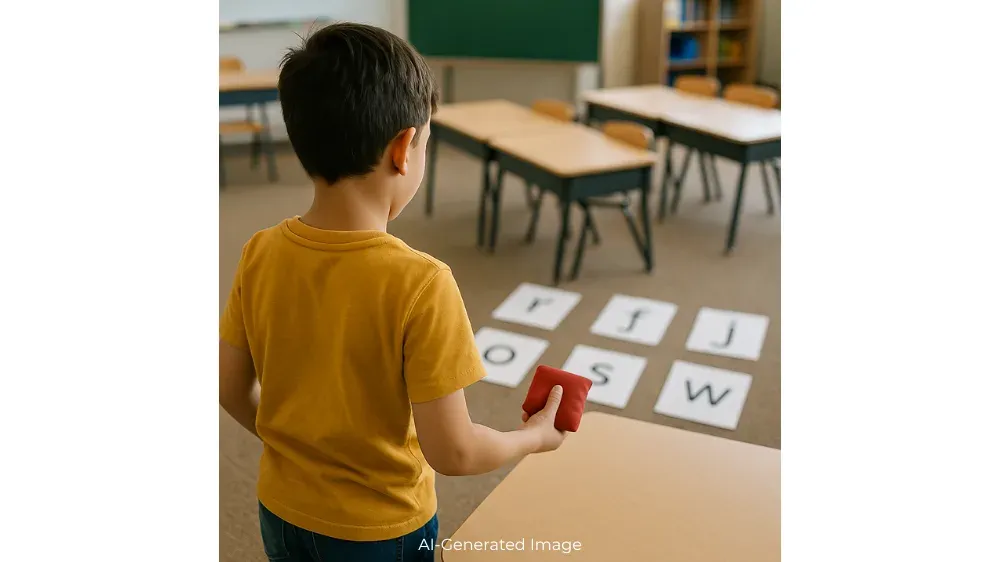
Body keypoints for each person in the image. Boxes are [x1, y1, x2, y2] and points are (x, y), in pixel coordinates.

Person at [218, 22, 567, 562]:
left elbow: (231, 389)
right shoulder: (423, 284)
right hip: (380, 534)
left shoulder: (258, 250)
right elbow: (452, 450)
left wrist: (301, 451)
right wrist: (532, 439)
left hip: (281, 512)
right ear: (404, 149)